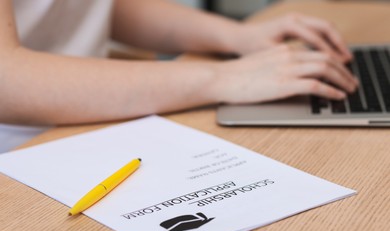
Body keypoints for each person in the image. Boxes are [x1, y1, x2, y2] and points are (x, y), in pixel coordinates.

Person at [0, 0, 357, 127]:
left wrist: (236, 37)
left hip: (89, 119)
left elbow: (98, 6)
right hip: (18, 158)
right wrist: (223, 77)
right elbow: (8, 82)